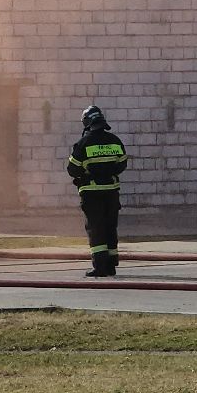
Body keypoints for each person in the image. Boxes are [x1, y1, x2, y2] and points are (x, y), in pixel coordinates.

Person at [66, 105, 127, 277]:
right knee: (110, 226)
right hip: (112, 192)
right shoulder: (115, 140)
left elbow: (72, 169)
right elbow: (122, 163)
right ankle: (111, 265)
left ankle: (100, 267)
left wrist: (88, 174)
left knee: (96, 228)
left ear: (87, 122)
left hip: (91, 193)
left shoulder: (84, 143)